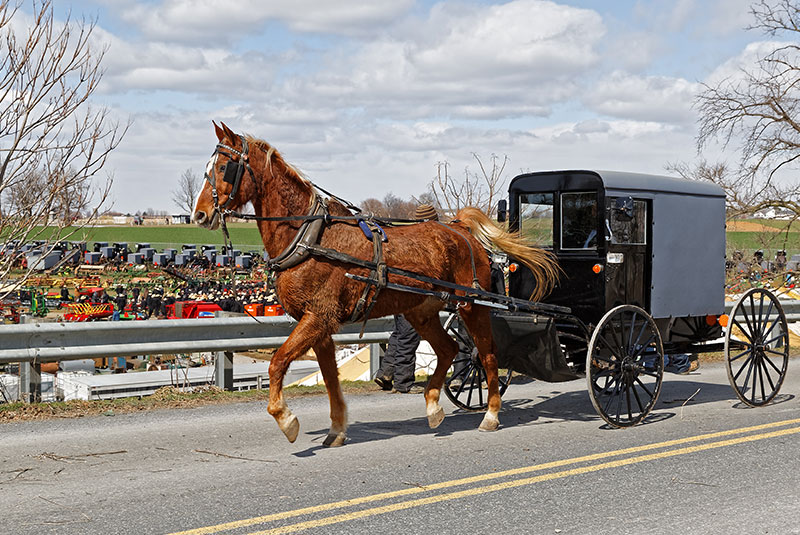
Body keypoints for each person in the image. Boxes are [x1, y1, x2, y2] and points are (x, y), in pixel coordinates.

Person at [374, 204, 438, 394]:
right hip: (411, 294)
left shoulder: (406, 238)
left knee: (400, 334)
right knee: (409, 336)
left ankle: (385, 373)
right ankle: (403, 383)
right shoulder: (424, 241)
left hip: (397, 292)